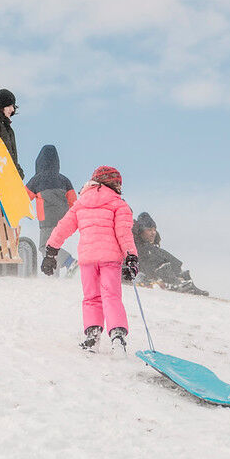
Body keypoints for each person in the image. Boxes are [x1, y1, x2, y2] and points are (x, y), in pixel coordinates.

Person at [41, 166, 139, 351]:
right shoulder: (119, 204)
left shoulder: (81, 203)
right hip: (110, 259)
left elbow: (63, 228)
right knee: (111, 296)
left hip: (88, 260)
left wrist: (51, 252)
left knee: (91, 298)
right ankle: (117, 335)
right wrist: (131, 257)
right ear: (114, 184)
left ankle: (92, 335)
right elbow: (124, 234)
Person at [132, 212, 209, 296]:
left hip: (149, 260)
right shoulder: (139, 246)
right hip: (142, 268)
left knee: (170, 258)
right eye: (149, 230)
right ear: (141, 231)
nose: (153, 233)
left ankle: (190, 285)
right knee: (158, 258)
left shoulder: (151, 247)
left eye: (154, 230)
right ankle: (174, 283)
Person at [24, 144, 77, 252]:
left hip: (47, 220)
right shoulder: (64, 179)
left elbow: (24, 198)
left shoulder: (37, 179)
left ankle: (69, 262)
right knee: (54, 245)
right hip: (64, 219)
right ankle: (55, 268)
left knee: (45, 247)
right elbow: (73, 202)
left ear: (39, 162)